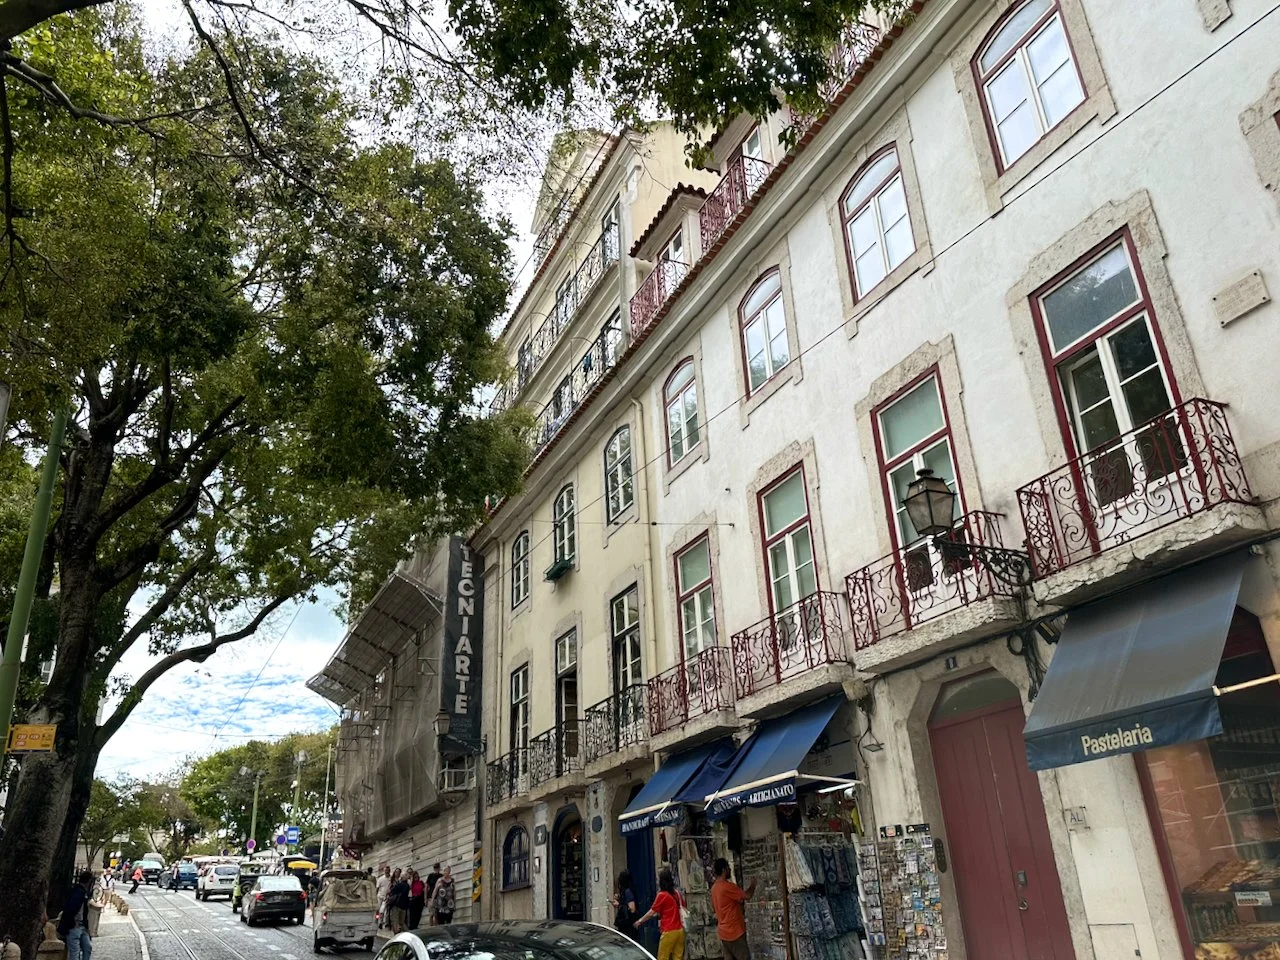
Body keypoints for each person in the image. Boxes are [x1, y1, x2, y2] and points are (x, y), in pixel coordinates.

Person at [635, 868, 685, 960]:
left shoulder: (662, 895)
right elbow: (683, 906)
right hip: (680, 930)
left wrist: (640, 921)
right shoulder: (677, 893)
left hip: (669, 931)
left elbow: (652, 912)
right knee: (678, 957)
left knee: (663, 957)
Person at [711, 858, 756, 960]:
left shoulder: (714, 888)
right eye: (728, 867)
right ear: (724, 870)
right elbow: (747, 895)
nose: (730, 870)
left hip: (723, 933)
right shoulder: (727, 886)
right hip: (734, 932)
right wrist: (753, 884)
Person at [59, 869, 96, 960]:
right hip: (74, 926)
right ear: (89, 882)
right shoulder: (78, 892)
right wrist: (72, 922)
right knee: (75, 952)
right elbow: (70, 909)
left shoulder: (81, 892)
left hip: (82, 926)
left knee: (87, 947)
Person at [611, 869, 639, 941]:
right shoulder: (627, 891)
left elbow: (632, 908)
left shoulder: (628, 892)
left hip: (627, 925)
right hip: (627, 925)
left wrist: (619, 905)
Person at [388, 869, 410, 934]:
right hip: (403, 906)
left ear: (402, 877)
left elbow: (391, 891)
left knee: (395, 922)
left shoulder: (399, 885)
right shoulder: (407, 886)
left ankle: (396, 935)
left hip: (396, 905)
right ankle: (408, 934)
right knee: (402, 922)